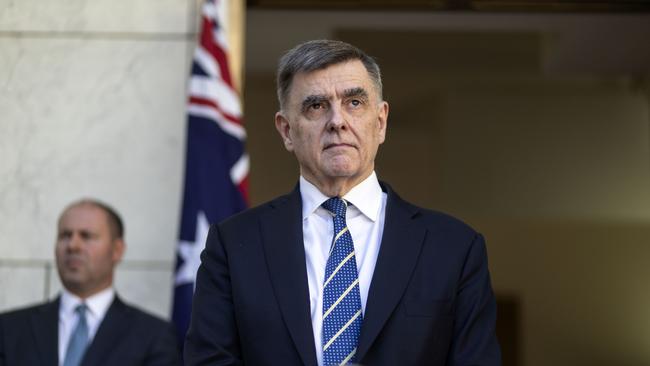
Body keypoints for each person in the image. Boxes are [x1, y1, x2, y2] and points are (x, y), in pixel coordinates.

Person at [184, 40, 501, 366]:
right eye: (316, 106)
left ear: (380, 122)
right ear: (286, 131)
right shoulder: (235, 244)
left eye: (354, 102)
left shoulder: (454, 248)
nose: (337, 121)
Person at [0, 199, 181, 366]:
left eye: (86, 236)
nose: (73, 245)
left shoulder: (153, 336)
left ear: (117, 250)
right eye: (65, 235)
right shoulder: (9, 329)